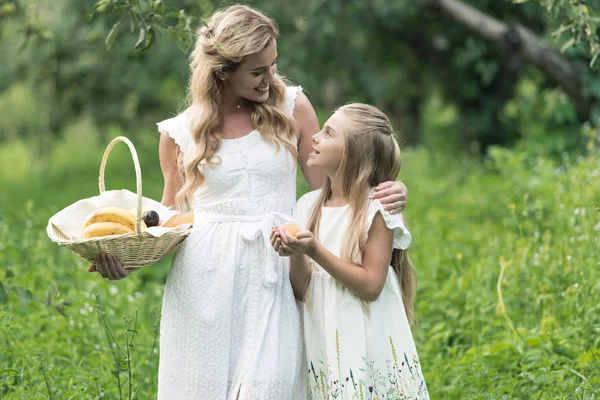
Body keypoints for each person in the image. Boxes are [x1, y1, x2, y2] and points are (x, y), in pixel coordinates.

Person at [89, 5, 409, 399]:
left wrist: (388, 189)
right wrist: (129, 258)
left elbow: (333, 190)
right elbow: (171, 219)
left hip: (277, 271)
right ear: (223, 70)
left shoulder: (292, 107)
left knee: (270, 387)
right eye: (258, 71)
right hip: (203, 283)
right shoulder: (180, 133)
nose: (270, 79)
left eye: (273, 65)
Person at [272, 103, 429, 399]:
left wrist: (315, 250)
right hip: (325, 334)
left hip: (364, 333)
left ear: (353, 154)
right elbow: (303, 287)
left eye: (328, 133)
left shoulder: (376, 210)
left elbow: (371, 285)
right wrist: (294, 252)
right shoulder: (307, 205)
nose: (314, 137)